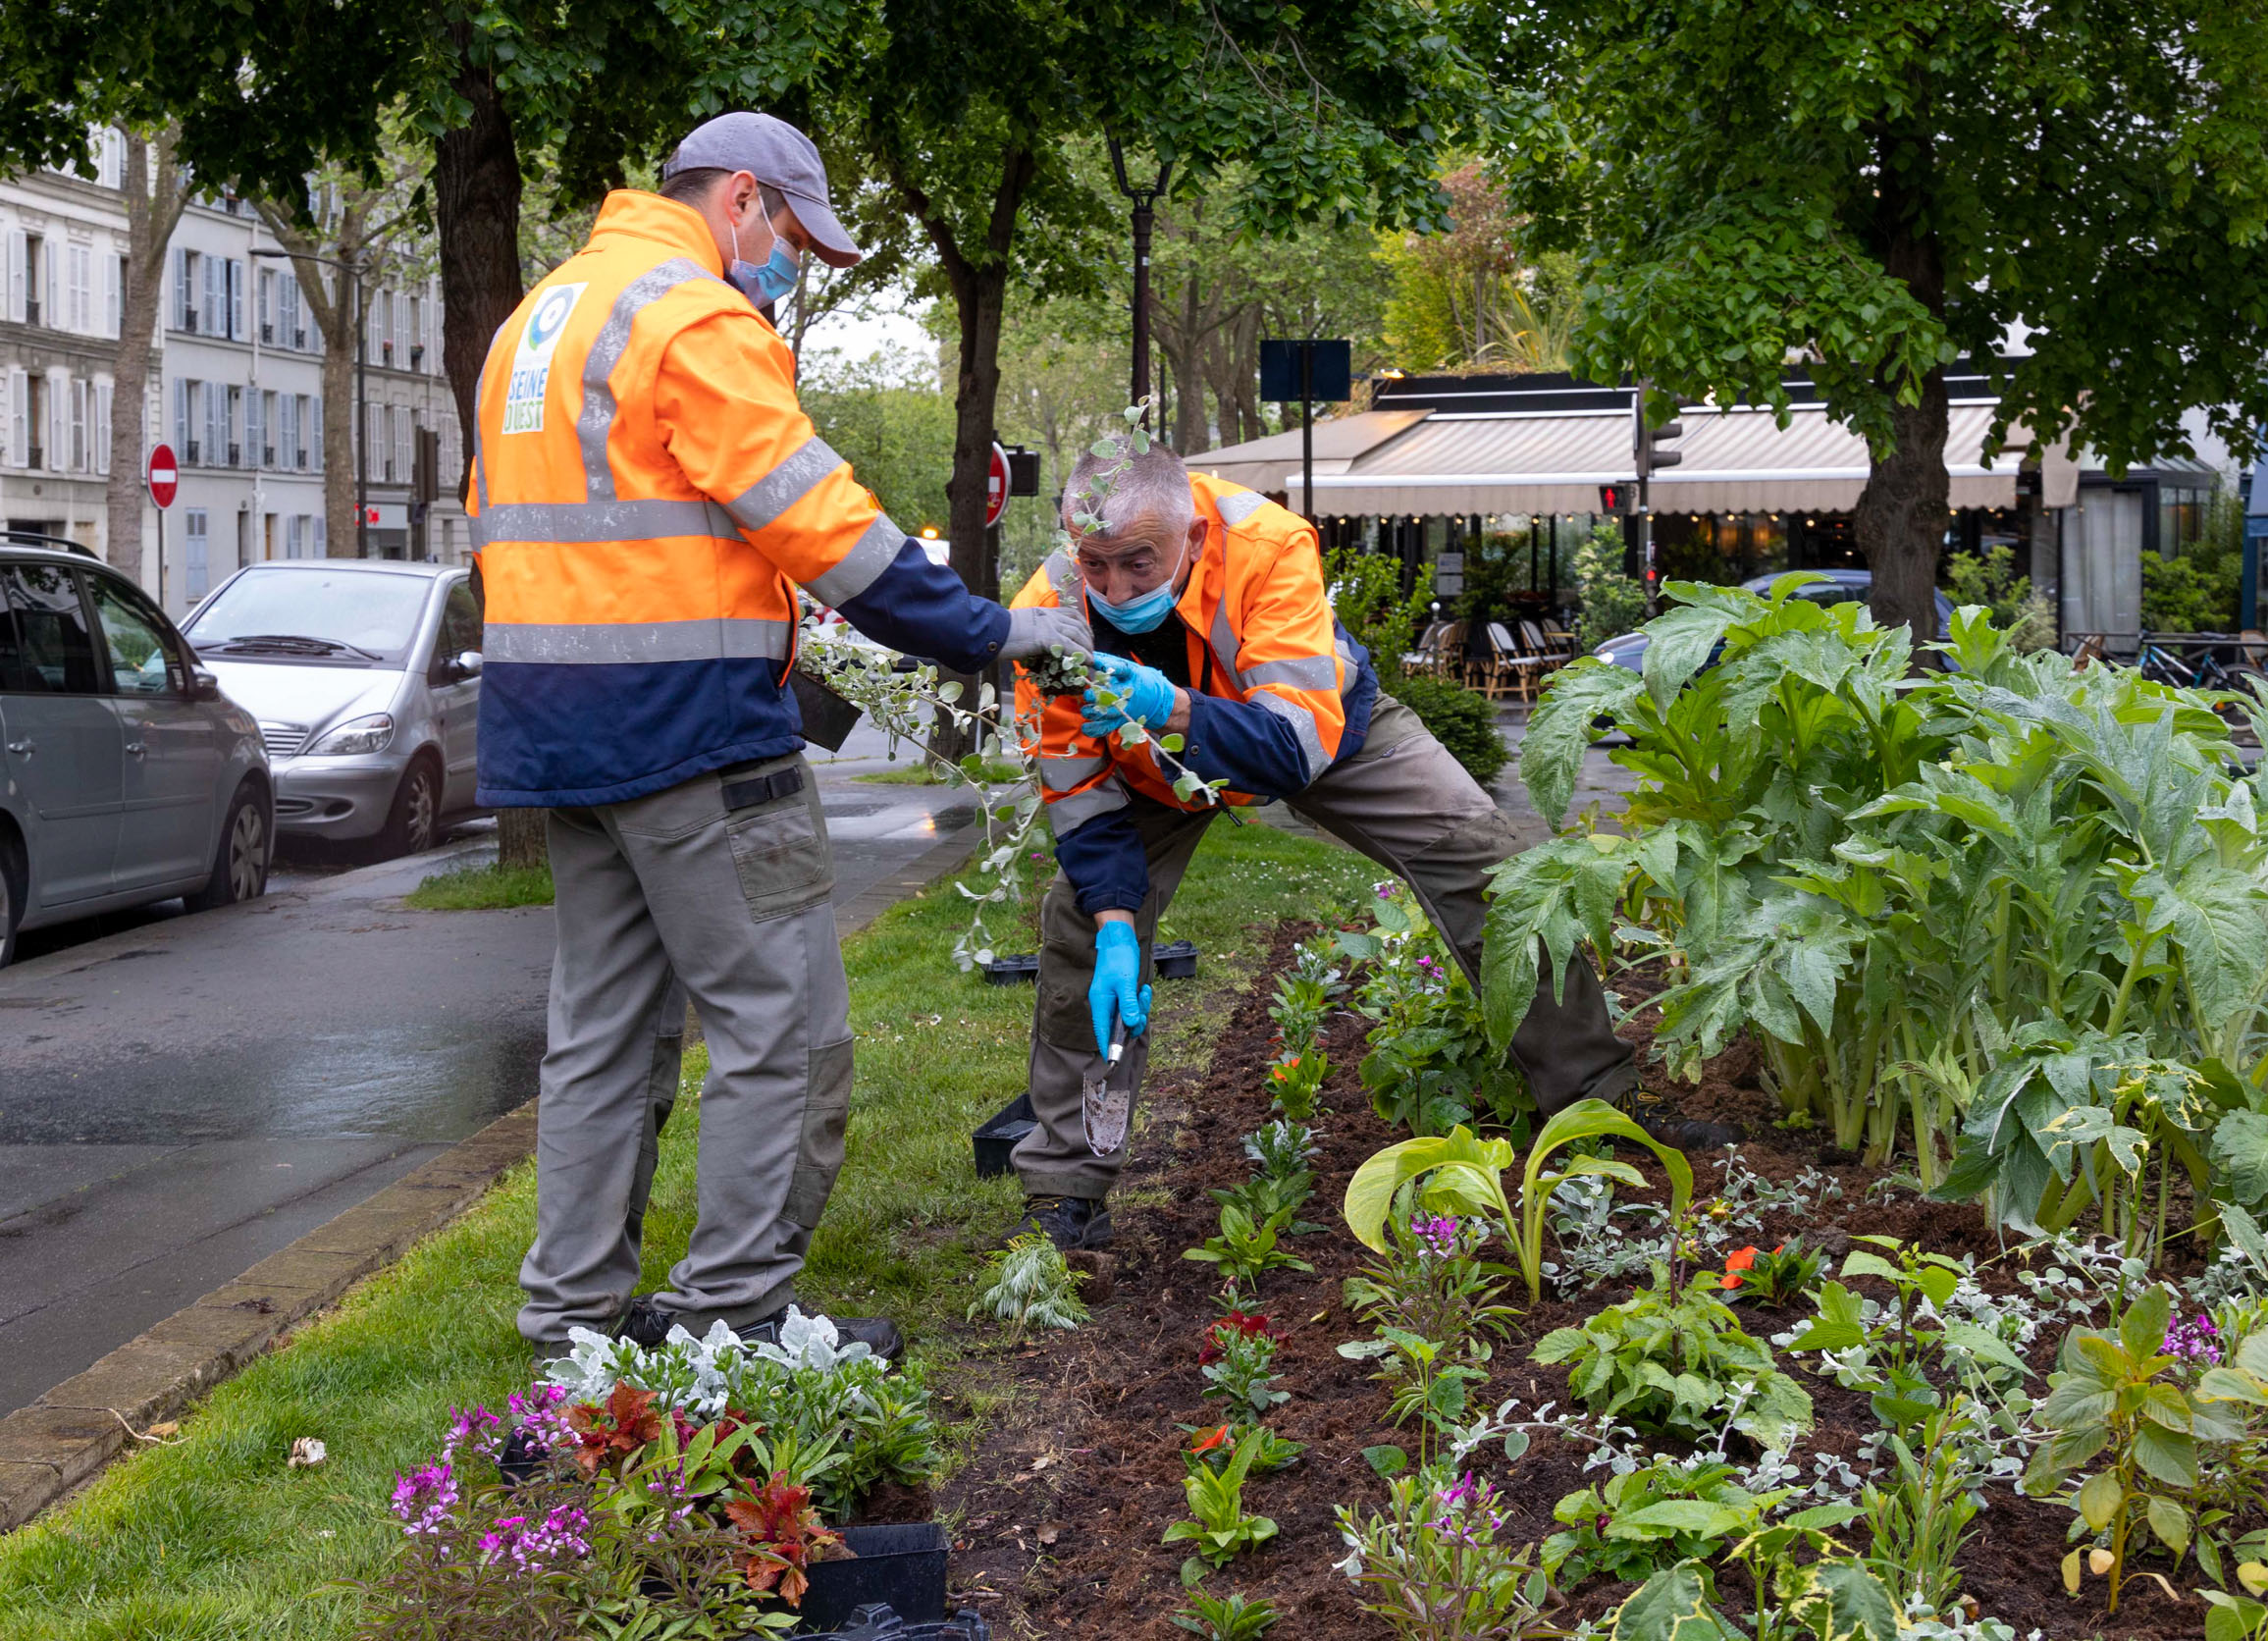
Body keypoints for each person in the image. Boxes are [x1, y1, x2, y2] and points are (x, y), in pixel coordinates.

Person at [468, 112, 1089, 1360]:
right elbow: (826, 527)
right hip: (693, 735)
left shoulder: (539, 318)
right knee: (785, 1029)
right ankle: (736, 1314)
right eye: (795, 239)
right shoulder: (691, 316)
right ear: (741, 200)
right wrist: (985, 631)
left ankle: (572, 1322)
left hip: (553, 736)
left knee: (600, 1035)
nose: (788, 269)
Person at [998, 443, 1690, 1253]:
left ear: (1189, 536)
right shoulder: (1044, 614)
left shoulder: (1267, 543)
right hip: (1150, 771)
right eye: (1095, 565)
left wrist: (1176, 705)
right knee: (1082, 926)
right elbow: (1082, 798)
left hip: (1313, 728)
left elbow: (1293, 748)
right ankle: (1065, 1190)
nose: (1112, 592)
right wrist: (1117, 918)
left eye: (1138, 565)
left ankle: (1596, 1106)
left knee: (1488, 864)